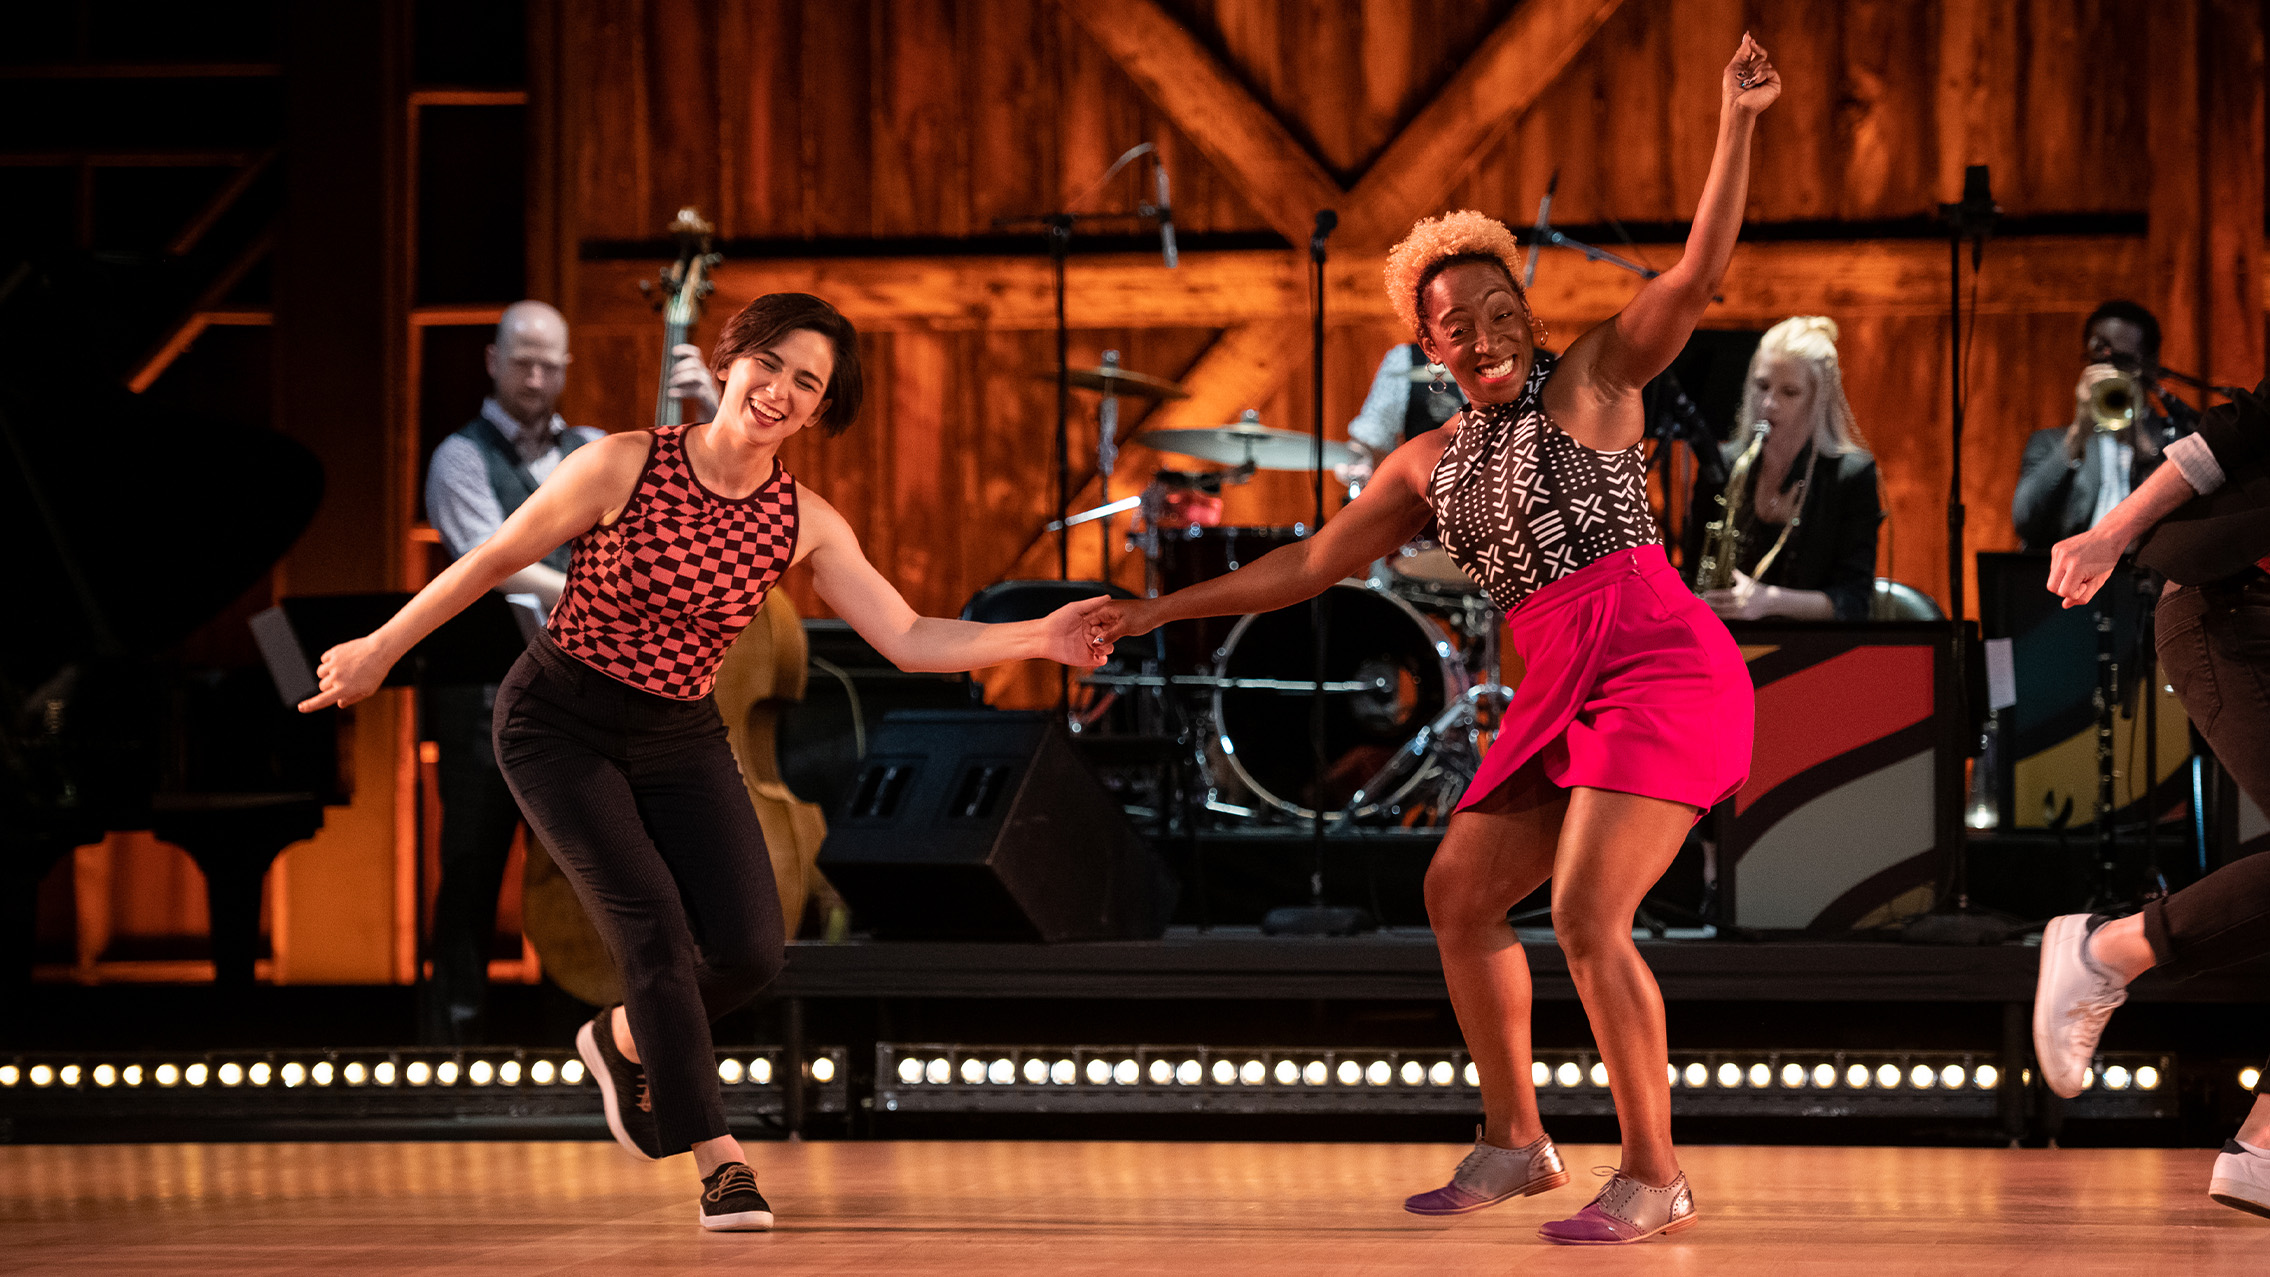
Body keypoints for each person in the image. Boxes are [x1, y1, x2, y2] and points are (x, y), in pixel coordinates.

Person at [1097, 34, 1779, 1246]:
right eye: (1453, 320)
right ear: (1429, 350)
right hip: (1555, 672)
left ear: (1525, 308)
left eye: (1495, 302)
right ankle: (1517, 1140)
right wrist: (1156, 609)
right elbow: (1307, 563)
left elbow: (1694, 271)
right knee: (1457, 891)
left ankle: (1654, 1170)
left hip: (1658, 658)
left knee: (1581, 914)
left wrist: (1734, 122)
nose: (1480, 326)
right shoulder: (1427, 462)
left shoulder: (1597, 380)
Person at [302, 292, 1112, 1232]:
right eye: (771, 363)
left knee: (752, 950)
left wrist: (1041, 637)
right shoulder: (622, 462)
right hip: (558, 722)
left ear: (818, 411)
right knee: (650, 924)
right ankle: (720, 1160)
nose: (780, 390)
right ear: (731, 361)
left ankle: (614, 1039)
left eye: (807, 383)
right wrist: (378, 648)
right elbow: (489, 559)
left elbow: (908, 635)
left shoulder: (804, 521)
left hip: (680, 732)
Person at [2035, 377, 2270, 1220]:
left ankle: (2267, 1148)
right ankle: (2110, 948)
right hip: (2239, 605)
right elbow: (2240, 428)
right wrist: (2110, 532)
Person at [418, 300, 603, 1043]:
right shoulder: (459, 456)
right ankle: (451, 1047)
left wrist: (701, 404)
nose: (535, 376)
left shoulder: (591, 446)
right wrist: (601, 598)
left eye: (549, 364)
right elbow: (497, 565)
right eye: (522, 360)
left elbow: (667, 503)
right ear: (493, 361)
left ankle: (580, 1041)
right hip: (483, 697)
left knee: (578, 873)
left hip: (575, 698)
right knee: (471, 868)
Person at [1689, 315, 1882, 621]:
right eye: (1762, 386)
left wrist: (1768, 601)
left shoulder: (1851, 477)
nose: (1768, 404)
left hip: (1819, 655)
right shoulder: (1724, 466)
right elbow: (1691, 572)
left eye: (1789, 392)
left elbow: (1853, 602)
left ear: (1818, 400)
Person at [2012, 301, 2197, 551]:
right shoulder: (2049, 443)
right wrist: (2077, 436)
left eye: (2123, 362)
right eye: (2099, 360)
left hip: (2150, 584)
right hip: (2076, 583)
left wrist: (2143, 449)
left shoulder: (2178, 441)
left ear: (2151, 366)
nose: (2111, 372)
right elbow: (2024, 520)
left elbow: (2187, 531)